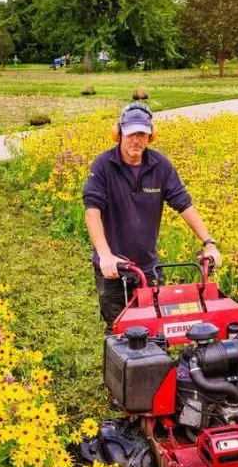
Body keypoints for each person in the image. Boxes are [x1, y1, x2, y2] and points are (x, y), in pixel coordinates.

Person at [82, 102, 223, 328]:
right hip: (113, 267)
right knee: (119, 329)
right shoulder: (102, 166)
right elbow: (92, 211)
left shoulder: (160, 166)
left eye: (142, 134)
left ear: (151, 136)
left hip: (148, 266)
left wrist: (209, 243)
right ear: (118, 134)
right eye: (131, 134)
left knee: (158, 328)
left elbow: (183, 203)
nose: (136, 140)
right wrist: (105, 255)